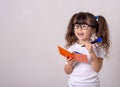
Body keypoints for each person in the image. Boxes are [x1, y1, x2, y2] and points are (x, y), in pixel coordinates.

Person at [64, 12, 110, 87]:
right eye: (77, 26)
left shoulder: (97, 47)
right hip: (73, 84)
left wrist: (91, 52)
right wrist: (69, 63)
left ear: (93, 30)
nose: (79, 29)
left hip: (91, 85)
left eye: (84, 26)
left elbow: (97, 69)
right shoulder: (72, 48)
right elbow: (67, 71)